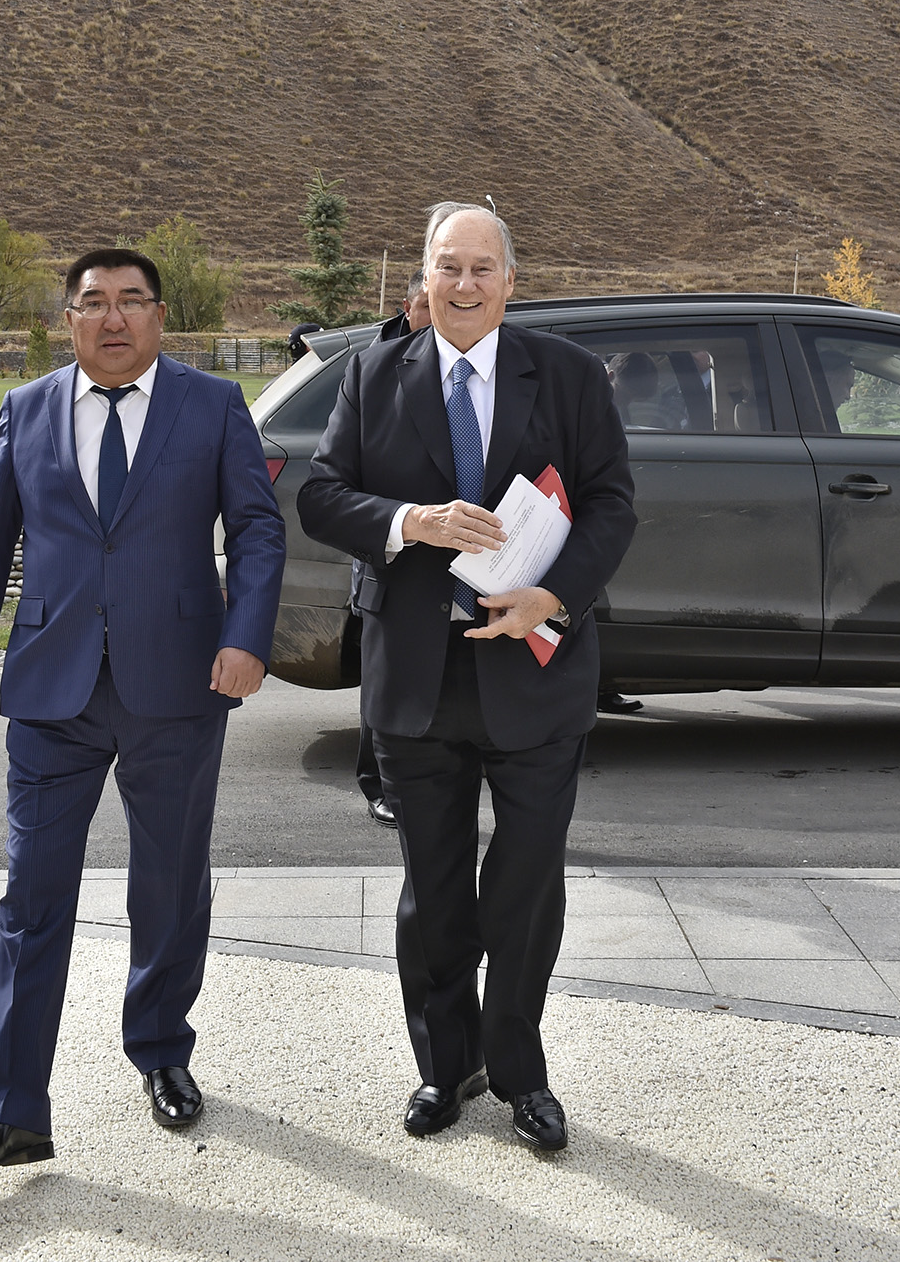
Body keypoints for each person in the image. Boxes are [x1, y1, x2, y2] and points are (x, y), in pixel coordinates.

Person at [0, 247, 286, 1172]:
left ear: (161, 316)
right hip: (53, 691)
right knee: (30, 896)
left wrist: (247, 636)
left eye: (132, 300)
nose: (114, 317)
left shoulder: (213, 406)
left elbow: (256, 528)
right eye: (94, 302)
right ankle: (12, 1111)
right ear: (70, 320)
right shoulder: (27, 409)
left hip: (180, 684)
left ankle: (161, 1050)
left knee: (169, 882)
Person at [298, 203, 635, 1154]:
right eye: (449, 266)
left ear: (510, 281)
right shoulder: (372, 374)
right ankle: (446, 1068)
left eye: (483, 268)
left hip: (534, 671)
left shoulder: (567, 375)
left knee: (525, 888)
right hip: (416, 678)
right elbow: (321, 496)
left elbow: (612, 505)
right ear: (425, 276)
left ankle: (521, 1074)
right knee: (434, 892)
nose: (465, 284)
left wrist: (552, 598)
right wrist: (413, 522)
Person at [357, 271, 433, 823]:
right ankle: (377, 782)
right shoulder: (374, 370)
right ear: (407, 308)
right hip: (385, 555)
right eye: (426, 305)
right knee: (382, 684)